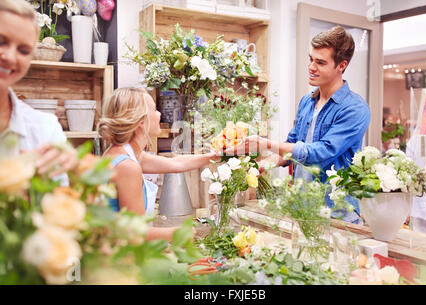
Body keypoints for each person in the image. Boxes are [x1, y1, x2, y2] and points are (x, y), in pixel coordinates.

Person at [229, 26, 371, 223]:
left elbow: (319, 153)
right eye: (311, 59)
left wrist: (264, 143)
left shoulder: (355, 109)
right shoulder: (307, 101)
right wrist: (263, 164)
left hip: (336, 214)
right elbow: (292, 146)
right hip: (301, 209)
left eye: (320, 62)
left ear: (341, 66)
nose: (311, 67)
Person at [98, 87, 220, 239]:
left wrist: (216, 155)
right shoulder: (127, 166)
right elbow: (134, 233)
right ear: (141, 121)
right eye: (155, 109)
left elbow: (176, 164)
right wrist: (178, 233)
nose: (159, 114)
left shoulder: (124, 154)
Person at [0, 0, 78, 179]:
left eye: (24, 50)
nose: (11, 57)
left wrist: (75, 174)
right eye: (1, 41)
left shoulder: (45, 128)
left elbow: (59, 199)